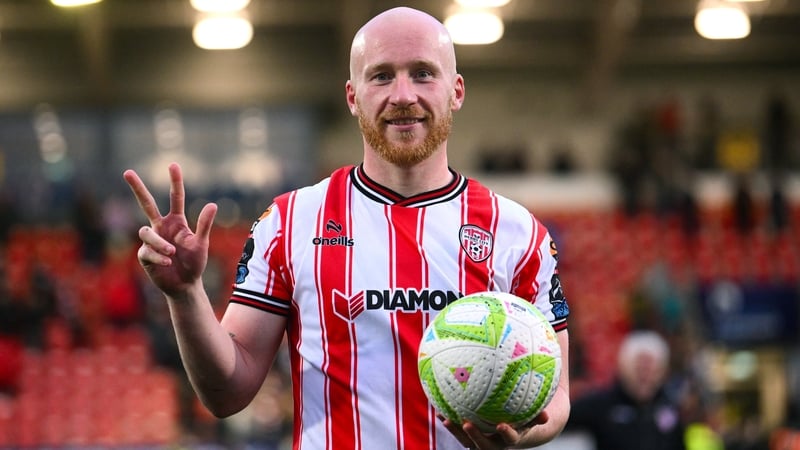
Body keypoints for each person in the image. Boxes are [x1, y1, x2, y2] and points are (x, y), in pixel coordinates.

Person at [123, 7, 571, 449]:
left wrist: (524, 433)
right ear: (353, 96)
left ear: (456, 91)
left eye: (422, 73)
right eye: (380, 76)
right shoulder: (289, 222)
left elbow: (558, 397)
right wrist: (185, 296)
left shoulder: (518, 231)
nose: (402, 95)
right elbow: (226, 393)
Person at [566, 330, 686, 450]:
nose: (646, 377)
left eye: (652, 370)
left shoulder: (673, 407)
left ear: (663, 371)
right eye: (640, 369)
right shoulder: (602, 405)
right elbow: (562, 419)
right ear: (623, 367)